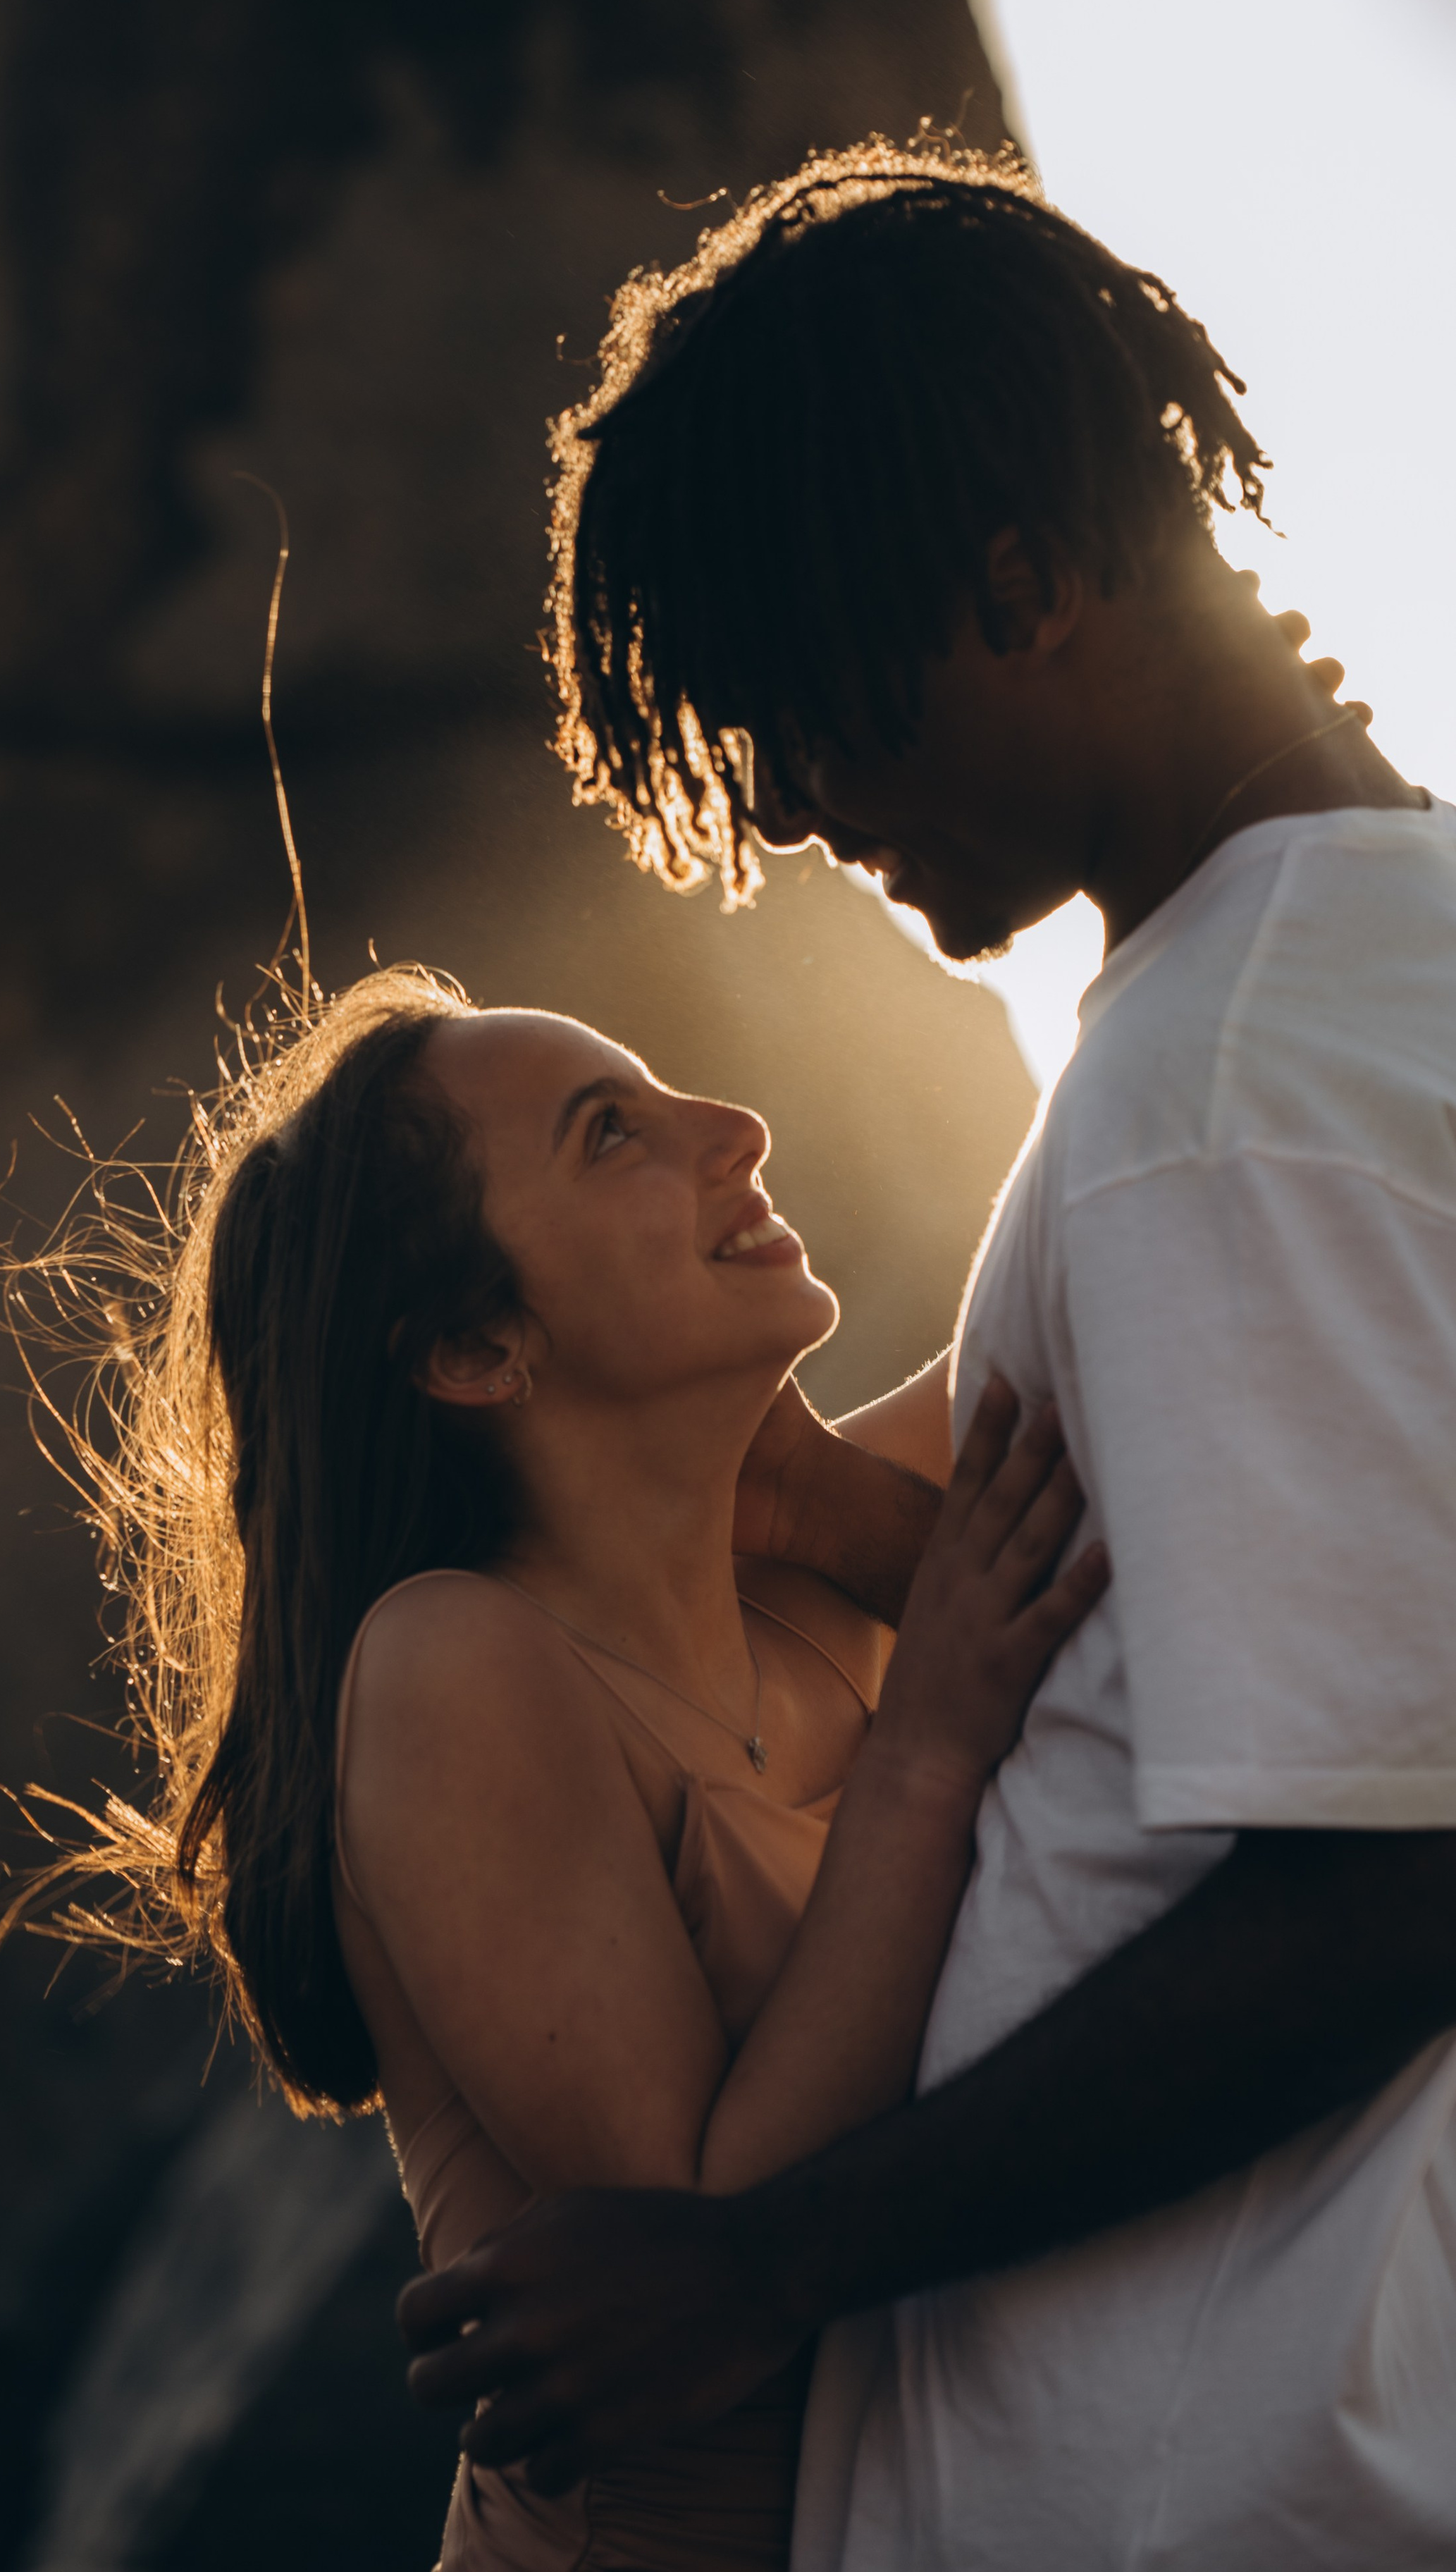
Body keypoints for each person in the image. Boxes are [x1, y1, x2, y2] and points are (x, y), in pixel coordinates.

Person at [397, 137, 1456, 2567]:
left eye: (783, 699)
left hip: (1203, 2483)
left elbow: (1394, 1885)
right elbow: (1115, 1560)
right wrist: (749, 1482)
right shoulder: (1365, 978)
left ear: (1017, 588)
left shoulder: (1222, 1087)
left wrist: (760, 2262)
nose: (774, 801)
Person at [28, 957, 1106, 2571]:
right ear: (474, 1348)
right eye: (611, 1133)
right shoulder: (451, 1665)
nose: (732, 1125)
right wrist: (929, 1749)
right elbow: (706, 2251)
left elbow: (1138, 1338)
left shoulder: (828, 1570)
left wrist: (817, 1508)